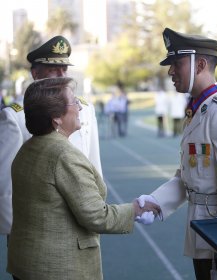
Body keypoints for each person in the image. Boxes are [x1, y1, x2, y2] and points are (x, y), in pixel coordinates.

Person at [7, 77, 160, 280]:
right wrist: (135, 209)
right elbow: (96, 215)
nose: (80, 107)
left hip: (26, 262)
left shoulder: (29, 147)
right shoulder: (64, 155)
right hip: (59, 268)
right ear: (56, 118)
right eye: (74, 102)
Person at [137, 27, 217, 280]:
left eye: (176, 63)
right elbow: (189, 177)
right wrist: (156, 202)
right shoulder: (198, 109)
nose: (170, 71)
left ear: (200, 64)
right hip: (203, 233)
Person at [0, 35, 103, 238]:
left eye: (64, 69)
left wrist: (96, 213)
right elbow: (5, 186)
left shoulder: (84, 110)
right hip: (35, 231)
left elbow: (94, 166)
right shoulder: (15, 116)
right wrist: (20, 233)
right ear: (35, 74)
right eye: (53, 69)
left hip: (80, 225)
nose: (61, 76)